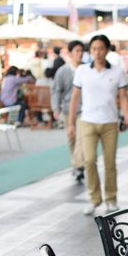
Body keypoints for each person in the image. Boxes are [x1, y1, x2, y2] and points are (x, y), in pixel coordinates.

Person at [68, 34, 128, 217]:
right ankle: (94, 199)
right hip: (87, 123)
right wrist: (71, 124)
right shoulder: (81, 71)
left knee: (110, 163)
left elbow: (123, 97)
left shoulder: (117, 72)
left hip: (110, 123)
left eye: (101, 48)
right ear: (91, 51)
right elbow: (75, 98)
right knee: (89, 161)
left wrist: (127, 117)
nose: (97, 52)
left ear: (107, 50)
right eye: (94, 49)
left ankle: (111, 199)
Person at [51, 40, 85, 183]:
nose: (80, 54)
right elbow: (56, 91)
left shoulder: (87, 69)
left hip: (84, 109)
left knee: (81, 138)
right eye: (77, 51)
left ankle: (79, 166)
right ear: (70, 53)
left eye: (81, 51)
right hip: (67, 109)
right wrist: (55, 108)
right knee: (71, 137)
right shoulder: (62, 71)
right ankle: (76, 164)